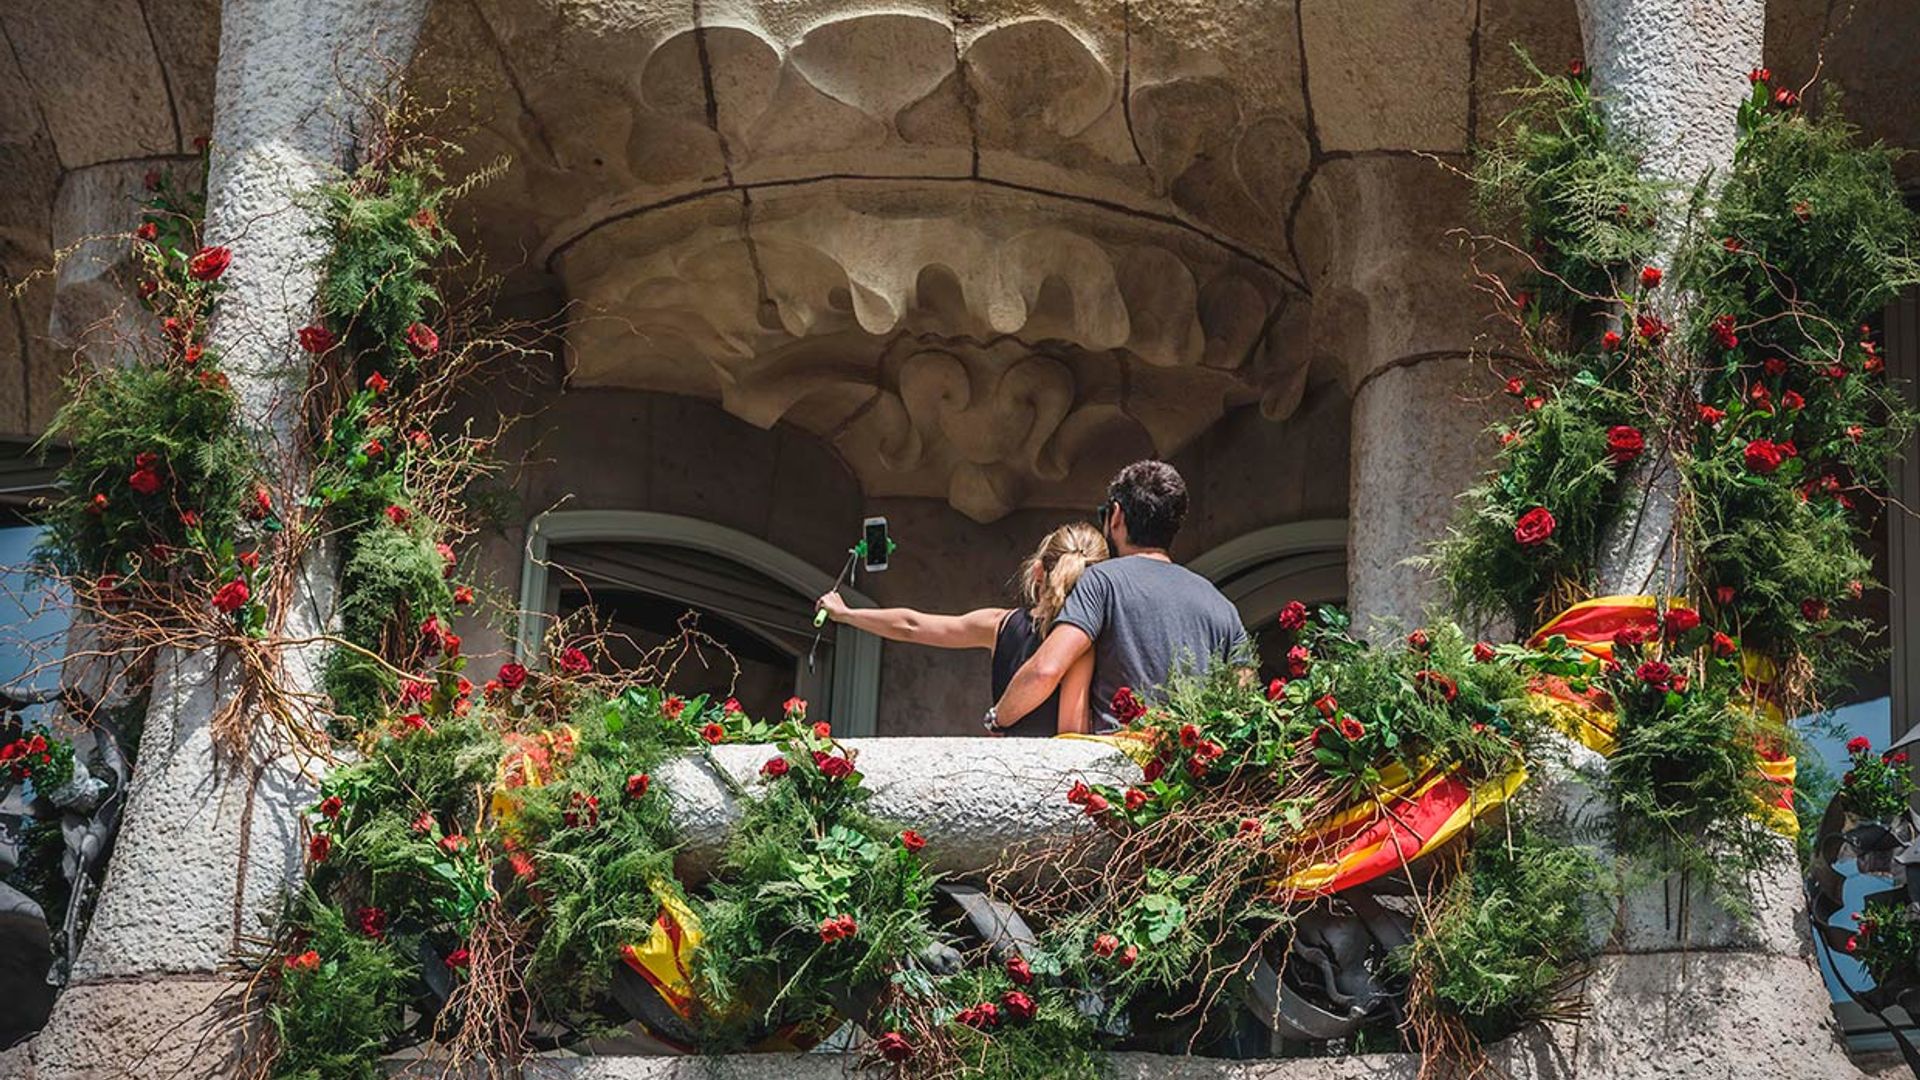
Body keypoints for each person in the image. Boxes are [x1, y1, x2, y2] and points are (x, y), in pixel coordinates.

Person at [985, 460, 1247, 734]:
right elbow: (1243, 706)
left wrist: (997, 718)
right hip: (1185, 770)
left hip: (1115, 770)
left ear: (1117, 515)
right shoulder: (1222, 606)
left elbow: (1046, 670)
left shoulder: (1100, 582)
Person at [816, 522, 1109, 736]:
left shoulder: (998, 623)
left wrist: (846, 614)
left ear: (1037, 572)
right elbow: (1072, 733)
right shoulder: (1080, 644)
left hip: (1004, 766)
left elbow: (911, 626)